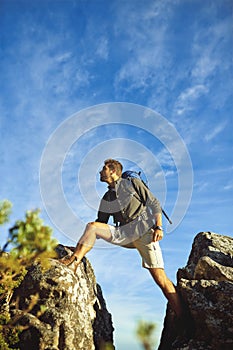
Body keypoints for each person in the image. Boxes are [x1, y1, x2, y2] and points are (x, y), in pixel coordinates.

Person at [59, 158, 183, 318]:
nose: (100, 172)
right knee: (92, 227)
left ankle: (183, 319)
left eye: (103, 169)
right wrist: (79, 246)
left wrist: (158, 227)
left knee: (160, 279)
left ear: (112, 171)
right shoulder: (107, 197)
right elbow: (100, 224)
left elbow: (154, 203)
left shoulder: (132, 183)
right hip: (124, 234)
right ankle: (74, 262)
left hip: (145, 233)